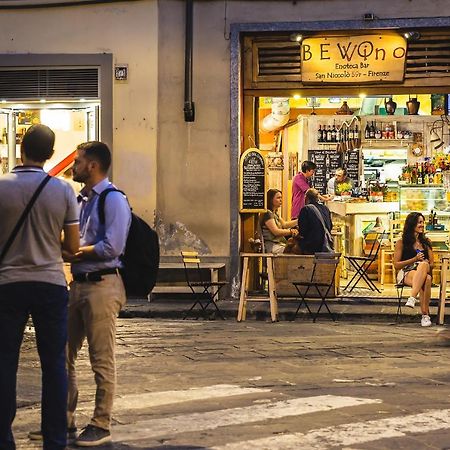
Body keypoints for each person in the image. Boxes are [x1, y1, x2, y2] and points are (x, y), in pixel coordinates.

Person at [0, 124, 79, 450]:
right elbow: (73, 247)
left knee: (4, 362)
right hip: (49, 283)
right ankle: (55, 439)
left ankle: (4, 438)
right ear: (50, 155)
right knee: (54, 365)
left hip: (8, 284)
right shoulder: (62, 191)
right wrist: (49, 242)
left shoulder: (1, 187)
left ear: (22, 150)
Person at [65, 141, 131, 446]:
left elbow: (112, 247)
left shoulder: (113, 199)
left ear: (92, 165)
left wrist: (75, 253)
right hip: (78, 283)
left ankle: (101, 423)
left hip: (103, 284)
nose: (74, 166)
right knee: (62, 351)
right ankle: (64, 417)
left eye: (78, 161)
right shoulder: (81, 199)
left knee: (100, 357)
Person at [393, 212, 434, 327]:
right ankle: (425, 316)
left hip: (422, 272)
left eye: (423, 222)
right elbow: (396, 265)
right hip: (405, 272)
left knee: (426, 272)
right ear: (412, 224)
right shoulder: (401, 242)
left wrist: (423, 263)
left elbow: (432, 264)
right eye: (419, 222)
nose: (422, 225)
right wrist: (414, 259)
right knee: (426, 278)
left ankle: (412, 297)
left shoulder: (426, 242)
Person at [294, 188, 333, 255]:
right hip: (326, 244)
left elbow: (303, 231)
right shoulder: (325, 208)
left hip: (311, 246)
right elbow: (330, 226)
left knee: (292, 246)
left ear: (306, 198)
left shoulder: (305, 209)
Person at [260, 188, 298, 254]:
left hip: (279, 244)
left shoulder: (275, 213)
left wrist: (299, 220)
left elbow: (285, 225)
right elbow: (276, 232)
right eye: (278, 198)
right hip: (272, 246)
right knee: (295, 250)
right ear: (271, 199)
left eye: (281, 197)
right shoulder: (267, 213)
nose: (281, 200)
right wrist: (291, 231)